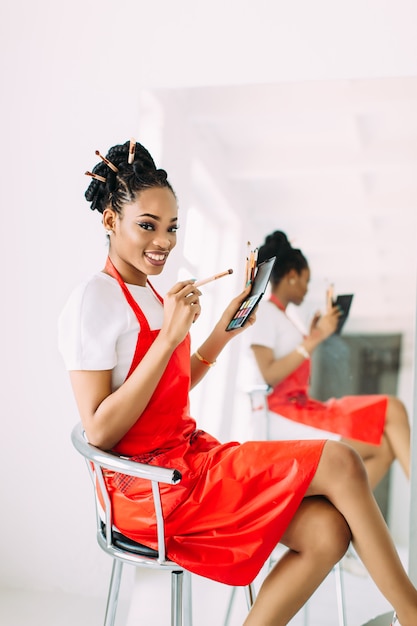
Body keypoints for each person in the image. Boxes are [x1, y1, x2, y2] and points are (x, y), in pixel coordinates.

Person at [58, 140, 417, 626]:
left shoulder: (149, 292)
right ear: (109, 222)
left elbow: (168, 394)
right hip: (151, 490)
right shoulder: (93, 301)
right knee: (342, 460)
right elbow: (100, 431)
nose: (163, 241)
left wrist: (221, 334)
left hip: (188, 460)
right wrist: (168, 339)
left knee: (328, 532)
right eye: (148, 226)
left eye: (171, 227)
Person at [249, 230, 411, 490]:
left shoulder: (286, 318)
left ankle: (349, 518)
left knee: (385, 445)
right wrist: (315, 337)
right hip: (285, 414)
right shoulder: (265, 312)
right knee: (391, 411)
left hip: (303, 408)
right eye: (306, 280)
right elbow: (269, 374)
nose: (307, 288)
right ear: (291, 276)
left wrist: (313, 336)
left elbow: (293, 365)